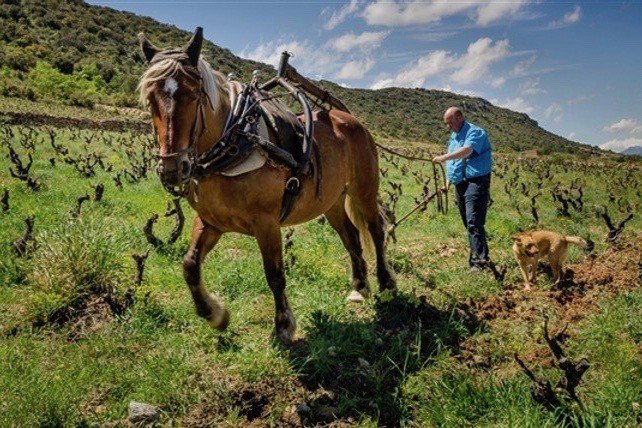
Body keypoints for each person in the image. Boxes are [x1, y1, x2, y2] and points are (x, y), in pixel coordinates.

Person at [432, 106, 493, 271]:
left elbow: (467, 151)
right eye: (446, 123)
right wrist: (446, 184)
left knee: (474, 221)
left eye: (450, 122)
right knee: (469, 223)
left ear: (459, 117)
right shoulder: (454, 137)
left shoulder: (476, 132)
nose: (448, 127)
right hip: (460, 183)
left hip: (476, 182)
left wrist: (443, 157)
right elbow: (454, 163)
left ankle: (480, 261)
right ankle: (478, 256)